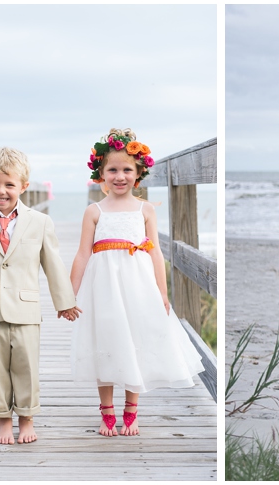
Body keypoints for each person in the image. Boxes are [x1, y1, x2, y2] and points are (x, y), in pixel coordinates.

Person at [70, 128, 204, 437]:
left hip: (138, 284)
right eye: (112, 170)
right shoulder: (94, 211)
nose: (120, 176)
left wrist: (163, 292)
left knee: (135, 340)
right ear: (100, 174)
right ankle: (106, 409)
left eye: (127, 169)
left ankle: (132, 407)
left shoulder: (145, 210)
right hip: (102, 287)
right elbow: (81, 255)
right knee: (104, 341)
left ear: (139, 172)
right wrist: (69, 294)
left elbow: (155, 252)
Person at [0, 147, 81, 445]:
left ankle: (26, 418)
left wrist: (64, 302)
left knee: (26, 365)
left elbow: (53, 264)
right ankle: (3, 418)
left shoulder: (39, 223)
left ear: (24, 187)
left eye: (9, 184)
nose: (1, 191)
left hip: (26, 307)